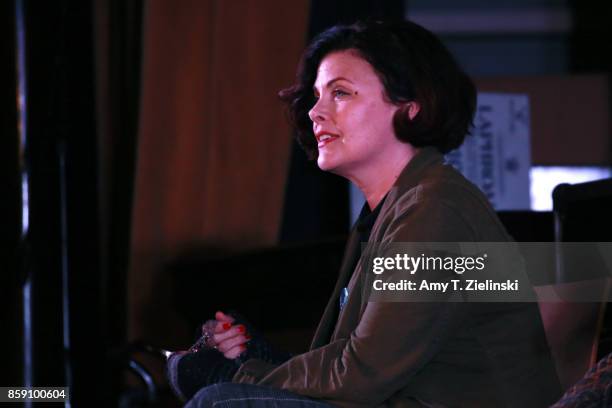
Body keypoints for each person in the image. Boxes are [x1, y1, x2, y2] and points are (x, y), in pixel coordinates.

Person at [171, 20, 562, 407]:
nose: (315, 112)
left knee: (222, 401)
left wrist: (240, 374)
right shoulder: (397, 207)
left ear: (410, 107)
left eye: (340, 93)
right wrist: (253, 358)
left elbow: (360, 378)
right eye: (316, 96)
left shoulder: (435, 211)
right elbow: (354, 364)